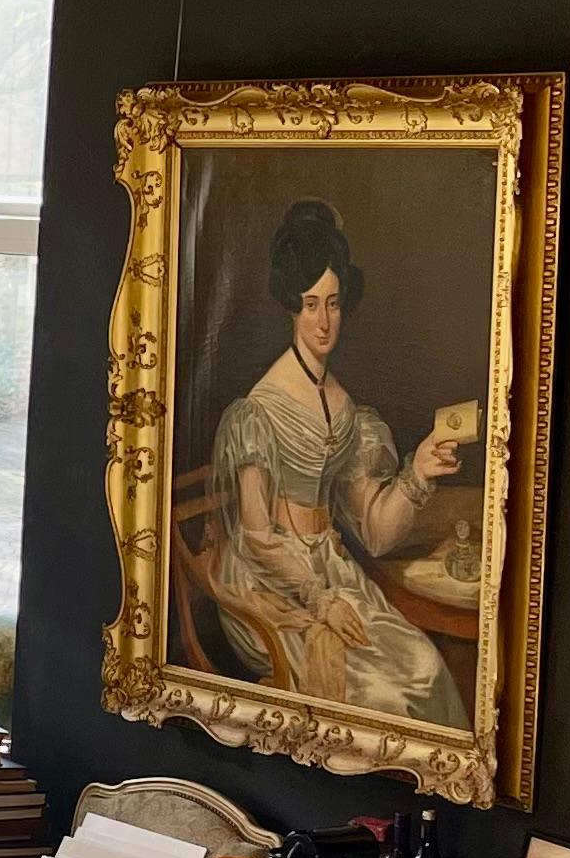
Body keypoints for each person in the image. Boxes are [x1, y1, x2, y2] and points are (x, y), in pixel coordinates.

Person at [198, 199, 469, 730]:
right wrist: (321, 601)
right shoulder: (259, 410)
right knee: (379, 697)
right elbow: (256, 537)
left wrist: (418, 472)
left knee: (425, 666)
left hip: (333, 568)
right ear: (291, 308)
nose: (324, 321)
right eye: (310, 304)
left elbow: (376, 530)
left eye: (334, 304)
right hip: (272, 581)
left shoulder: (346, 410)